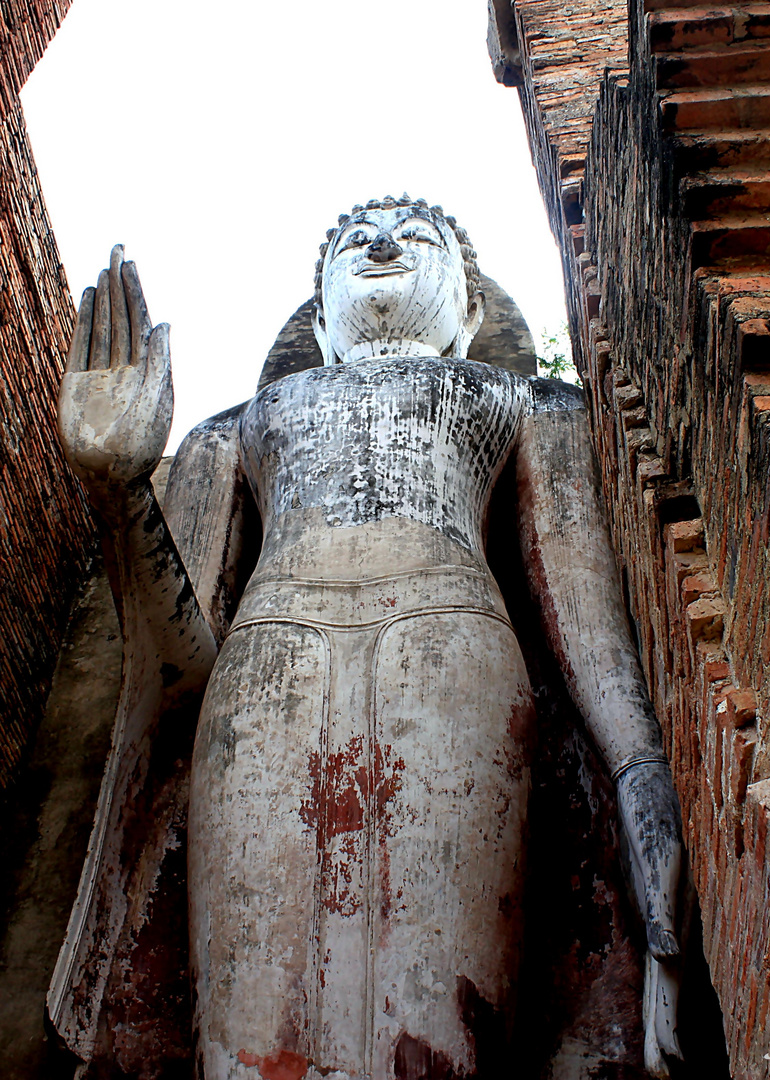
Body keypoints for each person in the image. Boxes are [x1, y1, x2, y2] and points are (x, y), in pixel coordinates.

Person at [51, 195, 683, 1080]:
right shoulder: (235, 430)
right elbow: (176, 668)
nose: (381, 244)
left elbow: (578, 610)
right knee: (248, 1031)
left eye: (416, 237)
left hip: (448, 656)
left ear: (468, 311)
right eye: (352, 241)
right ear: (320, 320)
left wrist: (636, 767)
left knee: (443, 1028)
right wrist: (120, 488)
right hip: (269, 664)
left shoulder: (522, 399)